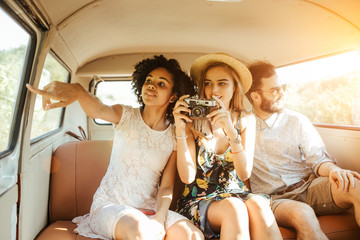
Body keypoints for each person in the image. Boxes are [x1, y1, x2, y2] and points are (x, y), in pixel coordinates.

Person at [26, 55, 204, 240]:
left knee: (192, 235)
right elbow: (99, 109)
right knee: (140, 232)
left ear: (174, 96)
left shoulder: (174, 134)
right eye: (148, 81)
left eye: (161, 84)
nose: (151, 85)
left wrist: (159, 218)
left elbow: (166, 186)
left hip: (150, 208)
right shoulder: (125, 114)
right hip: (110, 206)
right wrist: (79, 92)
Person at [246, 60, 360, 240]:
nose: (282, 93)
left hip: (309, 187)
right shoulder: (242, 126)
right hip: (273, 199)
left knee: (356, 185)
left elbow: (318, 160)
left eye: (282, 87)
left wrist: (334, 170)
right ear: (255, 96)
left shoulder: (297, 120)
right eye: (275, 90)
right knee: (303, 214)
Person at [173, 53, 282, 240]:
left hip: (236, 193)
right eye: (208, 83)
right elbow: (187, 176)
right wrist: (180, 130)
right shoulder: (192, 120)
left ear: (234, 88)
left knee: (257, 204)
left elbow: (244, 174)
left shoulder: (246, 120)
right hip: (198, 199)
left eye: (222, 83)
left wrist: (231, 131)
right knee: (234, 207)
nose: (213, 90)